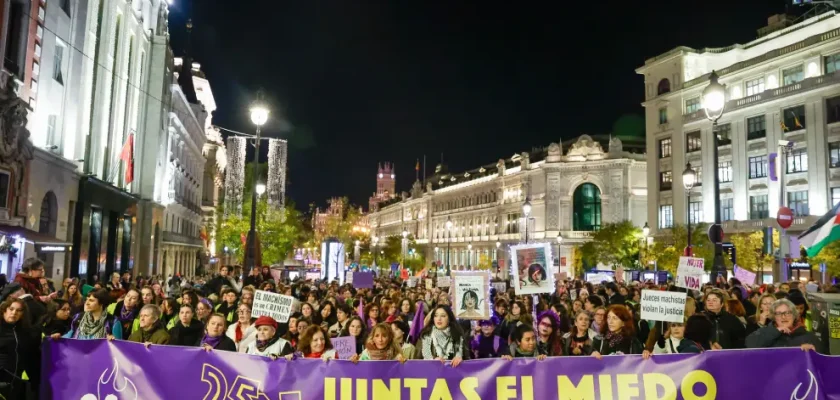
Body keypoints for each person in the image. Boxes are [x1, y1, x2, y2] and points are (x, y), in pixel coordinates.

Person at [746, 298, 823, 353]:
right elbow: (750, 344)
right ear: (774, 317)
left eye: (788, 313)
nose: (783, 317)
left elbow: (823, 363)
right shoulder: (765, 332)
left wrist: (813, 352)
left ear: (794, 315)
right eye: (779, 314)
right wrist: (776, 331)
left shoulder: (809, 337)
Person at [0, 298, 39, 399]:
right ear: (4, 310)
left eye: (18, 310)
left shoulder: (24, 331)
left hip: (16, 380)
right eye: (11, 309)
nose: (14, 313)